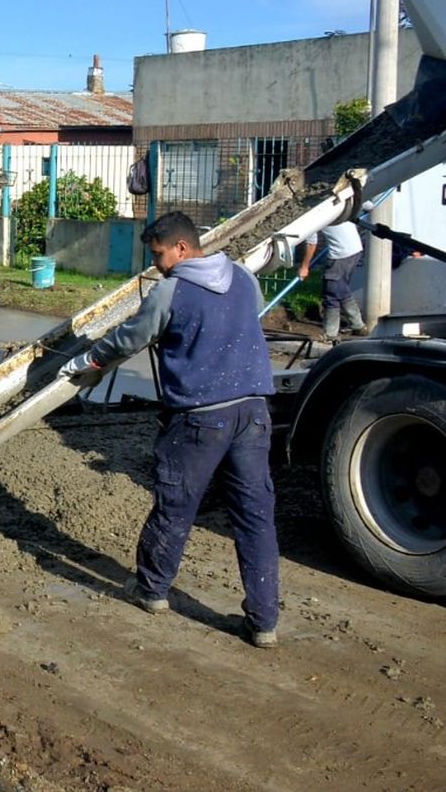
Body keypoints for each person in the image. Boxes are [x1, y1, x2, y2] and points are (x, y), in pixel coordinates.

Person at [59, 211, 280, 648]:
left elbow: (131, 338)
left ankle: (153, 591)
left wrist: (91, 361)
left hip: (200, 417)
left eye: (158, 254)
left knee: (175, 505)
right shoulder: (242, 277)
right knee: (255, 518)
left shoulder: (171, 290)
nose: (156, 264)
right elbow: (248, 316)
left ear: (181, 248)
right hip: (254, 412)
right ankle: (264, 622)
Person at [297, 221, 367, 341]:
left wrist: (304, 267)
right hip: (355, 250)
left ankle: (330, 334)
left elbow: (311, 243)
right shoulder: (331, 205)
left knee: (331, 293)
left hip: (341, 254)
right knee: (341, 288)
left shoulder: (312, 215)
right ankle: (358, 325)